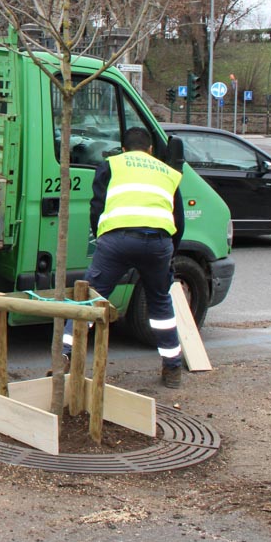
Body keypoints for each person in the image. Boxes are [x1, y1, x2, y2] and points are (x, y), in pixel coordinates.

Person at [79, 126, 187, 388]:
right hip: (158, 243)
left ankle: (66, 357)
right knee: (161, 305)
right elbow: (178, 219)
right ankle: (172, 368)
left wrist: (101, 236)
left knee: (89, 299)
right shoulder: (168, 172)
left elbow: (98, 206)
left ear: (124, 149)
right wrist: (169, 251)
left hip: (118, 240)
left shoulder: (112, 165)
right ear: (150, 149)